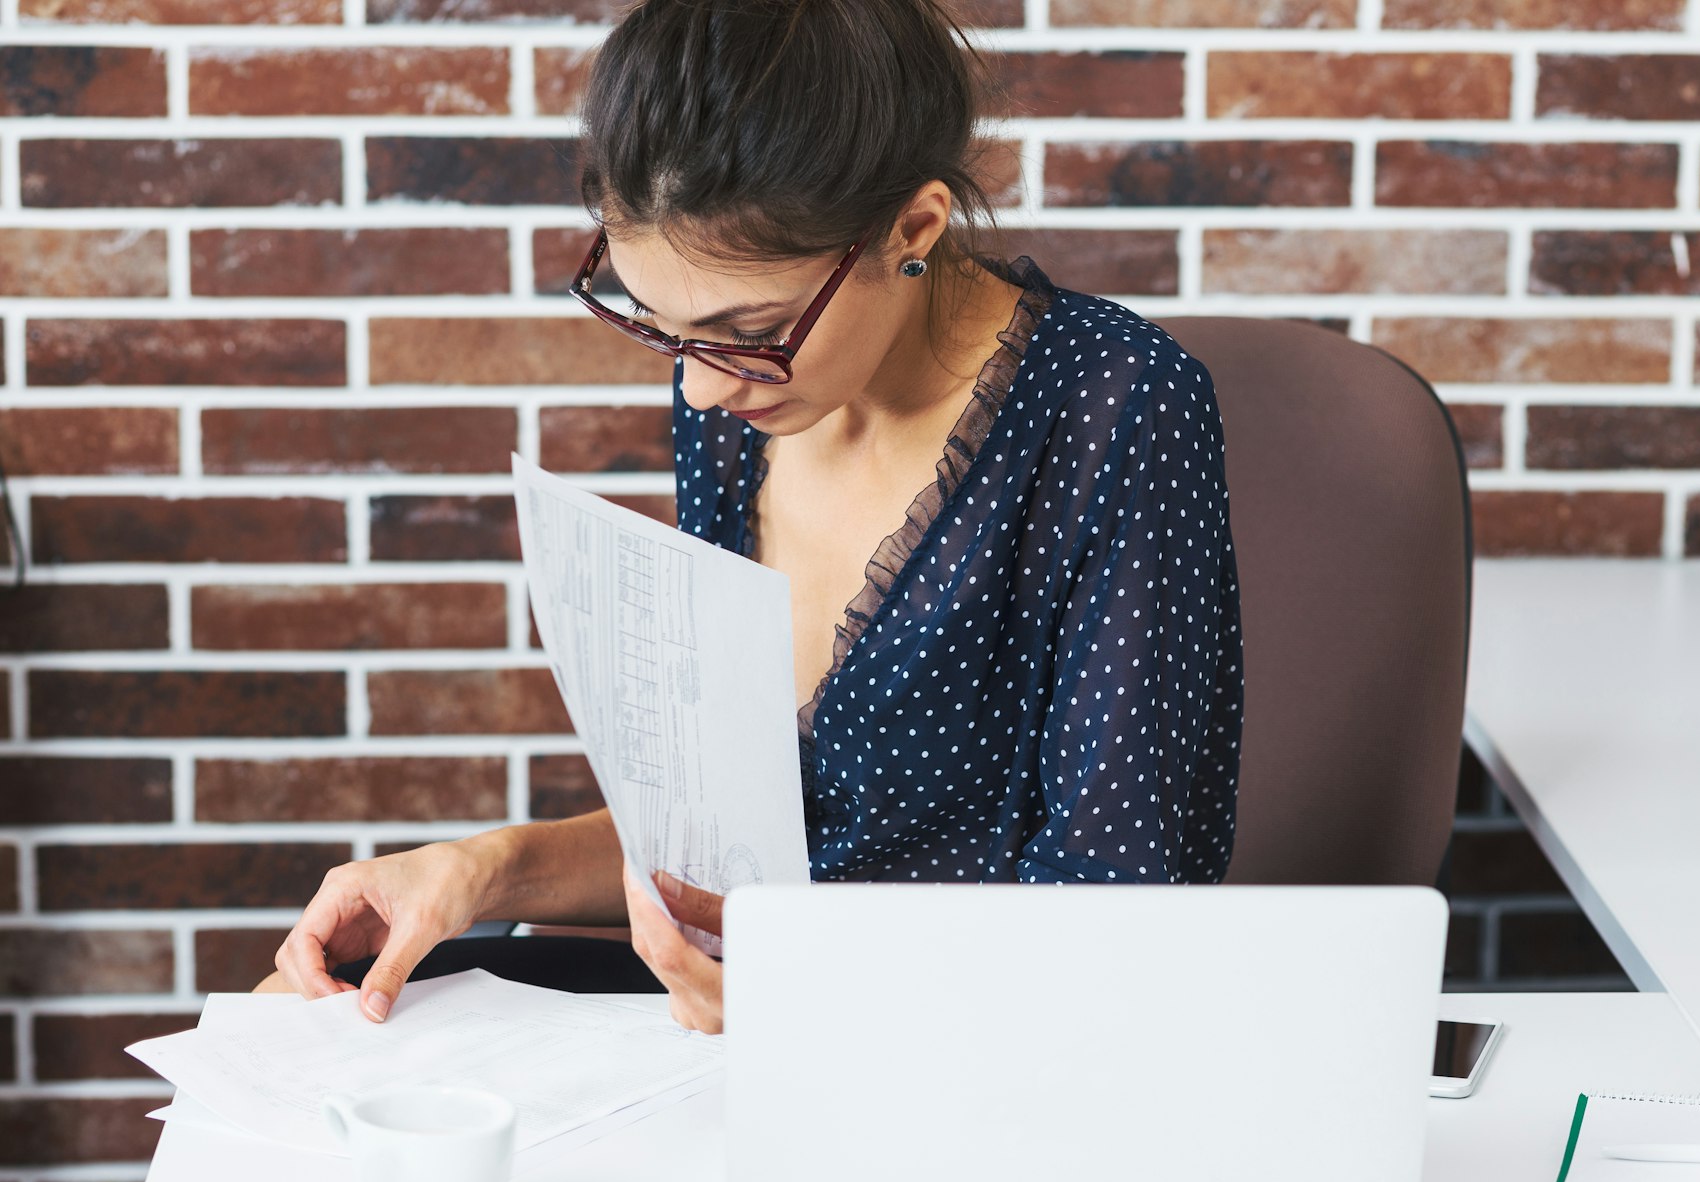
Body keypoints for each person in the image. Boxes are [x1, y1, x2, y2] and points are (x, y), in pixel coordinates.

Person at [259, 0, 1242, 1033]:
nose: (698, 391)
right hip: (745, 1015)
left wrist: (819, 1006)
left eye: (746, 331)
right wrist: (480, 868)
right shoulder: (744, 404)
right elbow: (737, 840)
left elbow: (1123, 905)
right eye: (666, 330)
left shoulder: (1114, 404)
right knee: (302, 1010)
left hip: (976, 1053)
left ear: (913, 228)